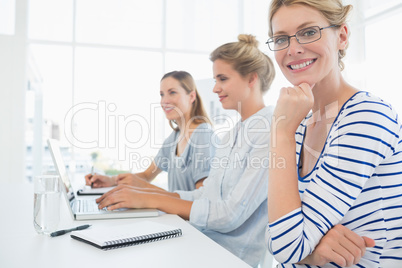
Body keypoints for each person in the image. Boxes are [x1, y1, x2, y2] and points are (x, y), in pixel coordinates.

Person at [96, 34, 276, 267]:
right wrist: (147, 197)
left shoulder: (269, 131)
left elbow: (229, 214)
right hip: (202, 241)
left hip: (229, 257)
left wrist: (150, 199)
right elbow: (206, 195)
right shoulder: (232, 134)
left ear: (252, 79)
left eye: (222, 79)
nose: (214, 88)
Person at [265, 0, 402, 267]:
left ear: (341, 36)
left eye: (308, 32)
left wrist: (280, 133)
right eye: (280, 39)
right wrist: (312, 251)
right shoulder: (301, 122)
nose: (293, 49)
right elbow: (271, 233)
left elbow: (285, 245)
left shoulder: (367, 116)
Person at [85, 71, 215, 192]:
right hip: (175, 217)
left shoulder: (202, 135)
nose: (164, 101)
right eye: (162, 94)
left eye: (172, 92)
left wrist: (150, 195)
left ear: (191, 96)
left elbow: (202, 199)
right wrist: (111, 180)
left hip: (187, 217)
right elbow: (147, 175)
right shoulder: (174, 138)